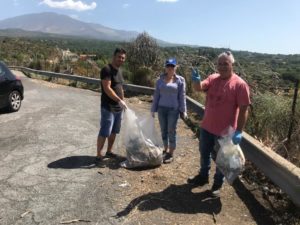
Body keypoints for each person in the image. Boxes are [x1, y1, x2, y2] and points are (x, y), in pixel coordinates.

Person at [187, 51, 251, 197]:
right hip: (207, 126)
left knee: (222, 160)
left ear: (232, 65)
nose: (222, 67)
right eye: (220, 64)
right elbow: (199, 87)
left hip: (225, 132)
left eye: (225, 64)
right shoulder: (213, 78)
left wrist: (239, 131)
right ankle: (203, 177)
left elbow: (244, 109)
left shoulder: (240, 85)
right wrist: (196, 81)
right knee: (204, 153)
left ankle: (217, 185)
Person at [151, 58, 187, 164]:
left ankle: (171, 153)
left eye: (172, 66)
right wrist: (153, 109)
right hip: (162, 109)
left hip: (173, 110)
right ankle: (165, 149)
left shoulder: (180, 80)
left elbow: (182, 96)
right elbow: (156, 95)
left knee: (171, 130)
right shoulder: (160, 80)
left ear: (176, 67)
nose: (170, 68)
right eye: (168, 66)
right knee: (163, 130)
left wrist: (183, 110)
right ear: (165, 67)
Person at [96, 48, 127, 163]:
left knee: (114, 131)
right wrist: (119, 100)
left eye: (123, 58)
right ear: (114, 56)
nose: (121, 59)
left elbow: (120, 87)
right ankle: (99, 155)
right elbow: (107, 88)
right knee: (105, 131)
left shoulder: (119, 71)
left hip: (119, 107)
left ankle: (109, 151)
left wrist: (123, 102)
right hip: (108, 107)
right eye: (119, 57)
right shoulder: (106, 69)